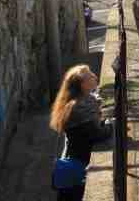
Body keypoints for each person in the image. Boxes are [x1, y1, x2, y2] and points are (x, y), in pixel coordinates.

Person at [50, 65, 112, 201]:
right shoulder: (81, 106)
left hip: (74, 158)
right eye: (89, 75)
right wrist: (109, 125)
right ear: (83, 84)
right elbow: (98, 134)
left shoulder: (75, 103)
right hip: (81, 164)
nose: (94, 76)